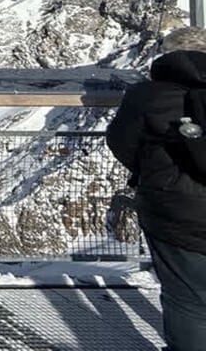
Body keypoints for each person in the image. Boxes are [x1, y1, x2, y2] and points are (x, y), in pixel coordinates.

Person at [107, 25, 206, 351]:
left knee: (186, 298)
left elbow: (121, 142)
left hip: (173, 208)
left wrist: (152, 172)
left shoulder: (148, 94)